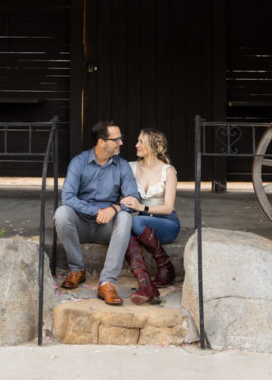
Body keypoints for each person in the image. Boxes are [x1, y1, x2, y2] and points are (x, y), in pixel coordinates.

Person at [54, 120, 139, 305]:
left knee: (124, 217)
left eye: (121, 138)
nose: (121, 143)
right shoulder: (79, 162)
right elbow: (68, 198)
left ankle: (108, 282)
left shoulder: (122, 165)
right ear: (101, 142)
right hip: (81, 224)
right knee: (62, 213)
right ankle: (77, 269)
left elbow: (133, 197)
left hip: (107, 227)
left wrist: (113, 208)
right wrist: (97, 210)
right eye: (116, 139)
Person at [120, 128, 180, 305]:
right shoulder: (131, 167)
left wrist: (141, 206)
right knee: (125, 228)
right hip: (141, 224)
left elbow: (168, 208)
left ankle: (165, 265)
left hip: (167, 224)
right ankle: (145, 283)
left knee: (134, 222)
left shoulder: (168, 171)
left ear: (153, 146)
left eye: (141, 141)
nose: (136, 145)